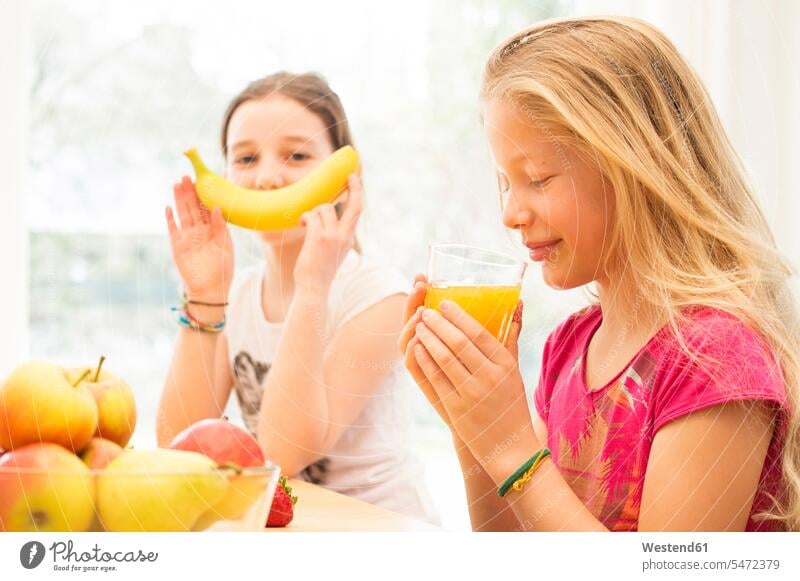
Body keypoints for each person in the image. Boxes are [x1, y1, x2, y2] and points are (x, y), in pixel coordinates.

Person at [400, 16, 799, 532]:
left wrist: (514, 445)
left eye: (537, 179)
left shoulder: (715, 359)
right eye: (505, 183)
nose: (510, 214)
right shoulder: (569, 347)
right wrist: (474, 427)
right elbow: (513, 551)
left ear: (635, 167)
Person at [158, 71, 438, 524]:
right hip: (293, 535)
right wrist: (205, 296)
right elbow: (177, 446)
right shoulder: (239, 294)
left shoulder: (380, 296)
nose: (267, 177)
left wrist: (312, 289)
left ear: (344, 175)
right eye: (245, 158)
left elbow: (280, 454)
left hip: (383, 536)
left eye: (296, 155)